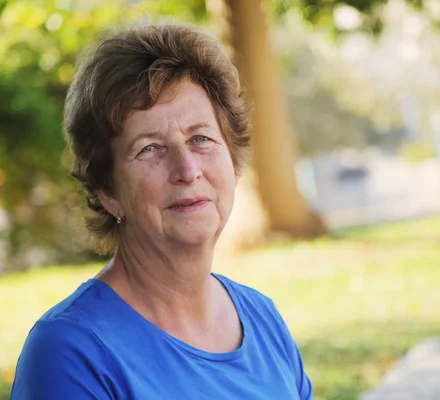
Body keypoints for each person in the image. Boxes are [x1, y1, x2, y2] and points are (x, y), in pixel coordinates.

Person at [10, 23, 313, 400]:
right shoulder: (70, 353)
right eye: (150, 148)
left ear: (232, 159)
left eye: (200, 139)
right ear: (107, 189)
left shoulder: (261, 317)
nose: (187, 170)